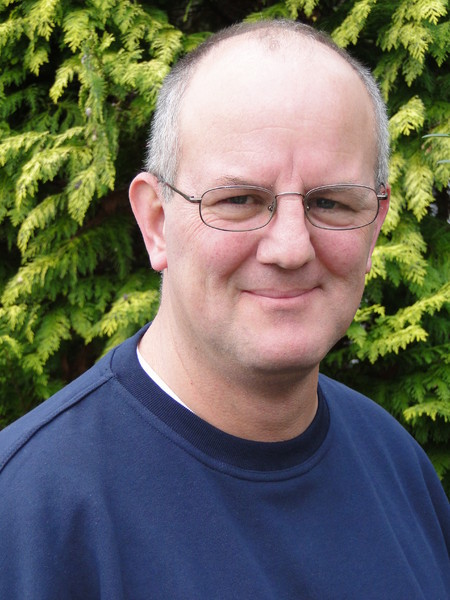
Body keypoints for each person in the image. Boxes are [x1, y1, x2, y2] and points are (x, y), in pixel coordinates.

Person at [0, 19, 448, 600]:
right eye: (240, 200)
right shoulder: (29, 513)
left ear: (375, 225)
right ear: (156, 222)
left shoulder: (398, 467)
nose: (291, 248)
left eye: (332, 202)